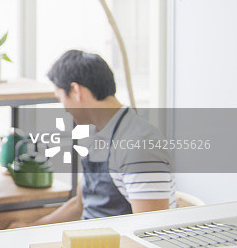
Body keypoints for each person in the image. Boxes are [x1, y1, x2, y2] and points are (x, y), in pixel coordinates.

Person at [9, 49, 176, 227]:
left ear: (75, 90)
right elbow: (79, 205)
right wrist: (30, 229)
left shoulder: (139, 145)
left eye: (61, 98)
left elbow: (150, 231)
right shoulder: (101, 133)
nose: (64, 109)